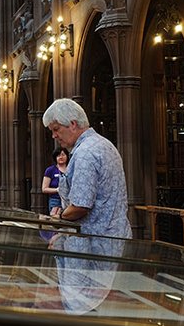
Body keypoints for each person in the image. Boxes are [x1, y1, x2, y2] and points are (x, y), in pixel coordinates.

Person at [42, 98, 131, 238]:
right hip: (113, 236)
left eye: (56, 129)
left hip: (94, 243)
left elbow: (79, 207)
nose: (54, 136)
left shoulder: (85, 153)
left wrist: (58, 217)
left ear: (72, 124)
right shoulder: (103, 143)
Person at [42, 147, 69, 215]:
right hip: (55, 201)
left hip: (70, 201)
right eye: (58, 155)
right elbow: (44, 189)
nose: (61, 157)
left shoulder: (71, 169)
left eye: (63, 155)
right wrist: (57, 190)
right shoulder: (50, 170)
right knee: (56, 222)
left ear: (67, 156)